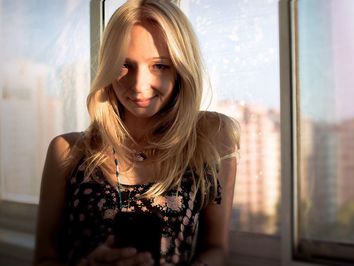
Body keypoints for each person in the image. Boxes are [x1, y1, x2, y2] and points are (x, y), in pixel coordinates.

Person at [34, 0, 240, 265]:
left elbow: (216, 248)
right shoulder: (66, 151)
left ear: (180, 69)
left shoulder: (210, 139)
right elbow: (44, 259)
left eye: (159, 65)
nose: (139, 85)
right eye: (124, 65)